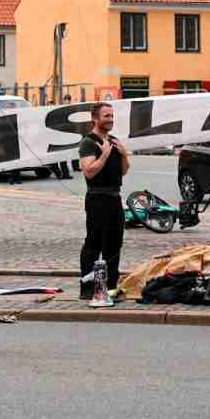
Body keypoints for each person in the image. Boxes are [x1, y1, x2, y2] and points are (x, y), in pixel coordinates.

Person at [78, 102, 130, 302]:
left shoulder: (114, 141)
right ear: (95, 118)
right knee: (94, 242)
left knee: (114, 244)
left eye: (111, 116)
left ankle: (110, 287)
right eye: (106, 116)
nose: (110, 119)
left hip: (115, 198)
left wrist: (124, 154)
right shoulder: (88, 142)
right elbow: (89, 171)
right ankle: (87, 287)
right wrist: (106, 154)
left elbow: (124, 171)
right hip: (97, 198)